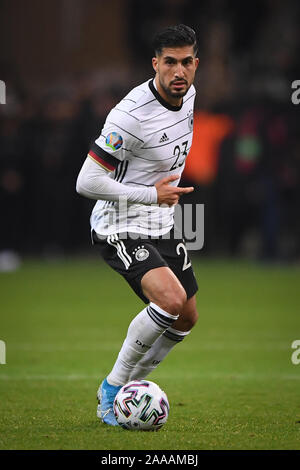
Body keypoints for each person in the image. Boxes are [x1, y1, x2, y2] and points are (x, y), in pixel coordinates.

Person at [76, 24, 199, 426]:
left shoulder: (190, 95)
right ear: (155, 64)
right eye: (169, 63)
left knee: (186, 316)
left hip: (161, 220)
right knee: (169, 300)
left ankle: (133, 389)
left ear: (195, 64)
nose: (178, 72)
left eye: (186, 62)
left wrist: (159, 201)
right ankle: (113, 389)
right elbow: (87, 182)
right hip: (121, 223)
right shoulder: (129, 116)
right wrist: (151, 195)